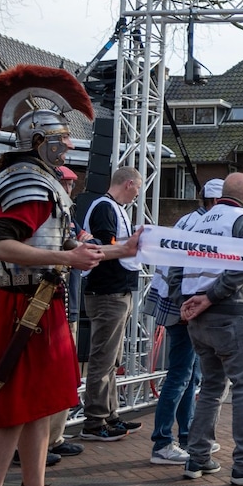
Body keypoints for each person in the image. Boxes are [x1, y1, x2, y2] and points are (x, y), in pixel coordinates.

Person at [0, 64, 140, 486]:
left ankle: (35, 484)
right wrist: (63, 255)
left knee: (40, 405)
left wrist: (123, 249)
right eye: (59, 141)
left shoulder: (48, 185)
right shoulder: (28, 183)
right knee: (14, 407)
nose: (66, 148)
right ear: (38, 143)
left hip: (44, 301)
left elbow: (77, 245)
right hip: (22, 303)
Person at [175, 173, 243, 484]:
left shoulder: (196, 222)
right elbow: (242, 266)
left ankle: (196, 457)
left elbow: (174, 263)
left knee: (211, 387)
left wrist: (185, 301)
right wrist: (209, 298)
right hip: (233, 314)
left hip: (198, 319)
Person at [145, 178, 224, 465]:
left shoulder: (188, 220)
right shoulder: (205, 224)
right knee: (180, 375)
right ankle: (163, 442)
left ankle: (187, 437)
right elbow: (182, 266)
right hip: (182, 306)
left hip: (176, 303)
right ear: (216, 201)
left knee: (188, 374)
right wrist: (185, 306)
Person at [78, 165, 145, 442]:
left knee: (111, 359)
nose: (138, 195)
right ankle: (95, 421)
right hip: (107, 292)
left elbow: (116, 245)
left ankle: (109, 414)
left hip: (117, 290)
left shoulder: (114, 208)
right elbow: (106, 247)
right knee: (103, 358)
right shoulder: (104, 207)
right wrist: (132, 244)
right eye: (138, 189)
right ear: (129, 184)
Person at [38, 166, 86, 466]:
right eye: (66, 184)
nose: (69, 191)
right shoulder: (45, 211)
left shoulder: (66, 216)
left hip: (65, 303)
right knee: (44, 377)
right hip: (45, 303)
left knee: (64, 377)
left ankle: (53, 437)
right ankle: (35, 442)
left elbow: (77, 243)